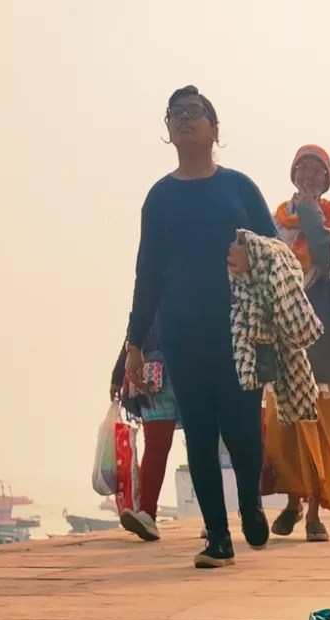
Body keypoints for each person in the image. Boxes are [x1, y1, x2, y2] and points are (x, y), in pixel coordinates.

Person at [125, 86, 276, 568]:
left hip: (238, 331)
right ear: (167, 130)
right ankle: (217, 537)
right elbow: (146, 271)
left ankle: (250, 502)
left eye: (195, 113)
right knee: (201, 435)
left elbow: (276, 252)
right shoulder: (160, 197)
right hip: (182, 334)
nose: (185, 119)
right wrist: (134, 342)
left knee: (243, 432)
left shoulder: (239, 187)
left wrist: (249, 255)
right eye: (176, 114)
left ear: (215, 128)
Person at [265, 144, 330, 542]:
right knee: (284, 426)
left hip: (321, 340)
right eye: (303, 169)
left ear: (327, 181)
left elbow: (328, 260)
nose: (309, 176)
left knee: (319, 424)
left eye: (317, 172)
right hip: (283, 339)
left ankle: (313, 512)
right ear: (292, 175)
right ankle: (292, 500)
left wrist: (310, 215)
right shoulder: (274, 223)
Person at [110, 324, 177, 541]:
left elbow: (136, 325)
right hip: (156, 374)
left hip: (165, 369)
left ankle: (212, 518)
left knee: (199, 442)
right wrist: (118, 374)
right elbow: (135, 328)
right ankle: (147, 513)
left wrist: (117, 374)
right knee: (163, 444)